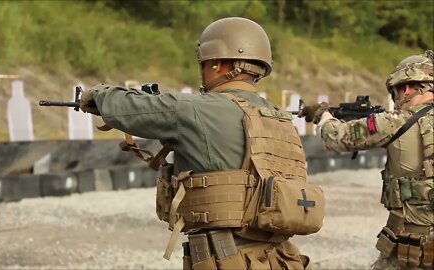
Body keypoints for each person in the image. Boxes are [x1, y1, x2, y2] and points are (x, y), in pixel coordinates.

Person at [80, 17, 324, 269]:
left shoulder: (197, 109)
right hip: (279, 259)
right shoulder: (280, 118)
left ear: (217, 63)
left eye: (204, 64)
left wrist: (97, 95)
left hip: (227, 258)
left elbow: (132, 110)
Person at [299, 50, 433, 269]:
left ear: (406, 87)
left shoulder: (395, 122)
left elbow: (335, 138)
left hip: (412, 245)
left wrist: (322, 115)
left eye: (396, 94)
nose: (397, 100)